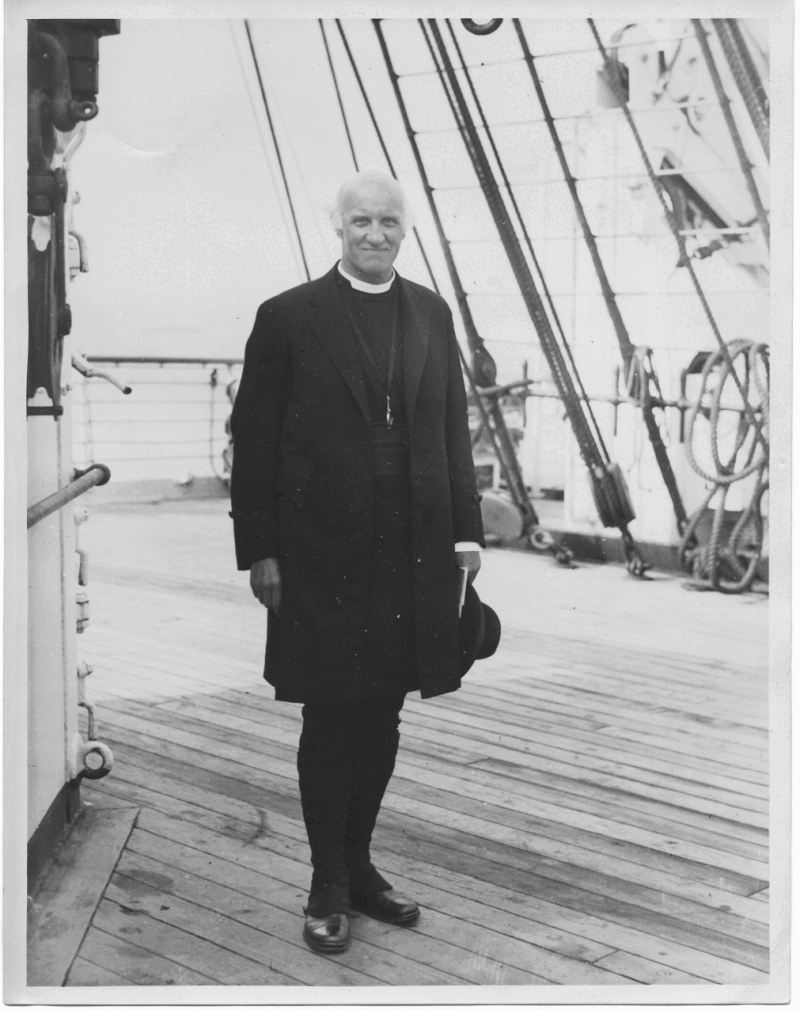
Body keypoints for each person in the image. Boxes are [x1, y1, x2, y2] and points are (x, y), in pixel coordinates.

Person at [229, 169, 484, 955]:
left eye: (388, 223)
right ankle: (326, 883)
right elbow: (254, 444)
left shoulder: (431, 314)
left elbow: (450, 431)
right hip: (319, 553)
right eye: (360, 223)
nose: (375, 235)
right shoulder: (289, 317)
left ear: (404, 231)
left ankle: (362, 868)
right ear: (336, 228)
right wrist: (260, 550)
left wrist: (467, 535)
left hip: (412, 550)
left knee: (383, 711)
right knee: (331, 710)